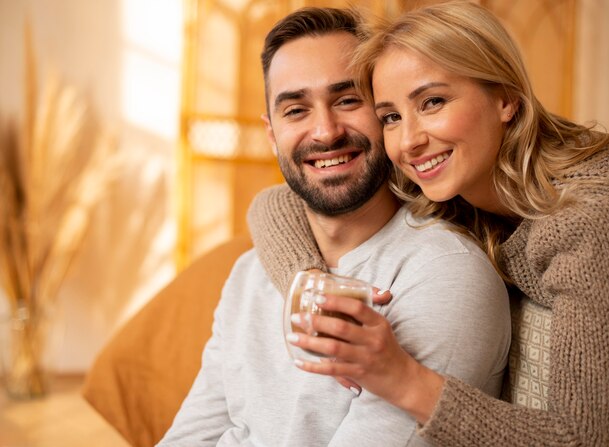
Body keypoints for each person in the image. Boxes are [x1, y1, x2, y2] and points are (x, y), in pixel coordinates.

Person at [246, 2, 609, 446]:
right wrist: (309, 279)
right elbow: (274, 202)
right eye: (390, 116)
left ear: (505, 98)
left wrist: (403, 379)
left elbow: (588, 439)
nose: (409, 140)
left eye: (433, 102)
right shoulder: (446, 178)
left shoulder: (591, 218)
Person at [158, 6, 511, 447]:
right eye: (295, 110)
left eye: (347, 100)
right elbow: (193, 434)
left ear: (384, 115)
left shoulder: (443, 275)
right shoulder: (250, 272)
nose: (325, 132)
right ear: (272, 135)